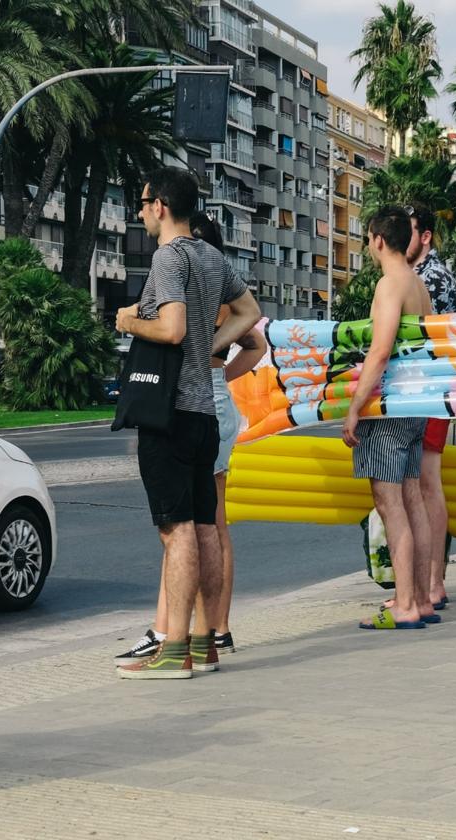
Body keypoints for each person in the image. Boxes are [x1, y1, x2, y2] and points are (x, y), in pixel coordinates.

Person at [113, 168, 261, 678]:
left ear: (160, 205)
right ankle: (206, 642)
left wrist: (129, 319)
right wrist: (211, 348)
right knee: (203, 529)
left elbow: (172, 329)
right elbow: (250, 313)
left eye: (143, 201)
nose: (139, 211)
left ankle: (174, 651)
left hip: (169, 412)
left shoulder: (169, 257)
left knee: (176, 533)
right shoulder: (212, 256)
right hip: (203, 416)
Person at [341, 205, 436, 631]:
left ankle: (403, 604)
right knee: (413, 498)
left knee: (389, 502)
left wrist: (355, 407)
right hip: (420, 403)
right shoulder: (419, 285)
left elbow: (379, 352)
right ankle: (421, 598)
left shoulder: (389, 285)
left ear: (377, 239)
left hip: (391, 405)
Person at [409, 206, 456, 611]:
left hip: (429, 389)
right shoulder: (422, 275)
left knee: (428, 483)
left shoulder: (433, 278)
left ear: (425, 236)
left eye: (406, 231)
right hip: (424, 391)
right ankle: (428, 579)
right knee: (424, 482)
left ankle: (433, 580)